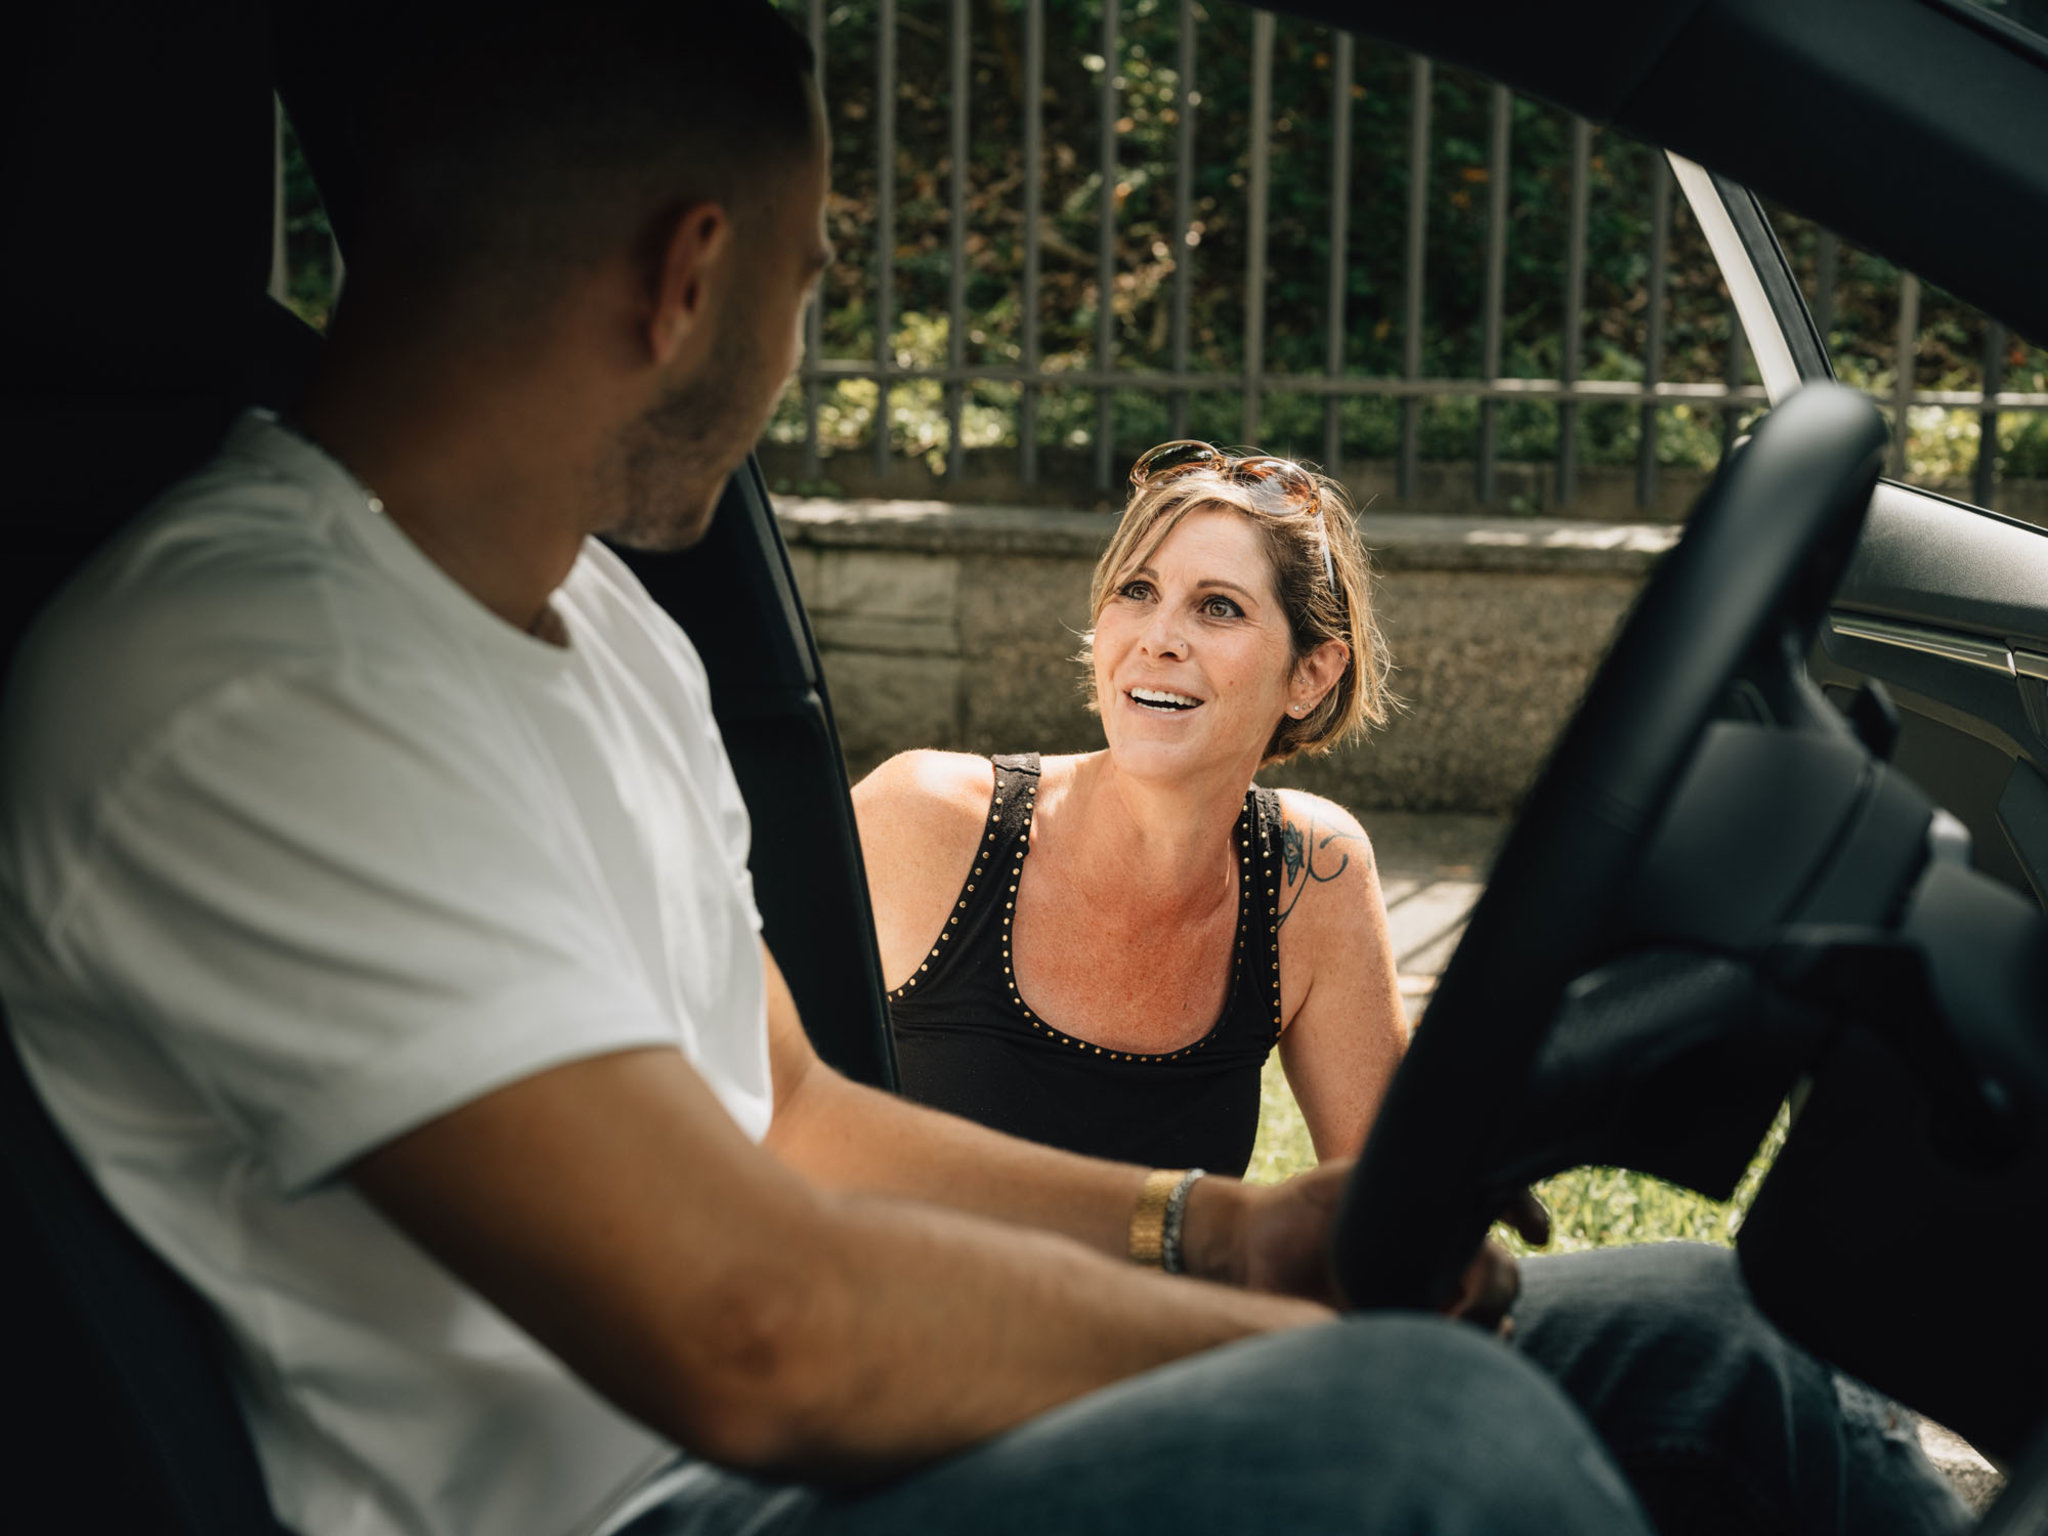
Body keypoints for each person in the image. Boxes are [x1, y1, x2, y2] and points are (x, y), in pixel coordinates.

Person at [0, 6, 1959, 1536]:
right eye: (807, 272)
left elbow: (789, 1114)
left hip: (794, 1460)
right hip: (671, 1510)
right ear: (690, 275)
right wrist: (1268, 1336)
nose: (795, 331)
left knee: (1699, 1335)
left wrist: (1238, 1234)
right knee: (1430, 1424)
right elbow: (753, 1329)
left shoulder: (577, 623)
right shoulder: (240, 686)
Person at [857, 443, 1401, 1177]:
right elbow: (731, 1101)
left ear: (1309, 675)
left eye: (1218, 607)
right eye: (1137, 591)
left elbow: (1394, 1198)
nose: (1159, 639)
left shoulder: (1313, 875)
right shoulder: (921, 820)